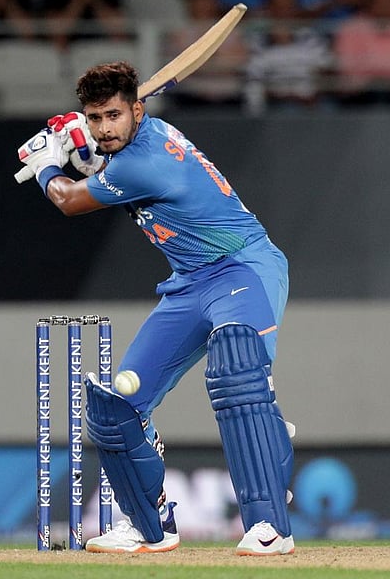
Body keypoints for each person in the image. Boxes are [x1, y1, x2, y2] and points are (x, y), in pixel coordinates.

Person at [15, 61, 295, 555]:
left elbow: (69, 201)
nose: (105, 128)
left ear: (137, 110)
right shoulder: (141, 140)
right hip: (189, 285)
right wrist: (91, 157)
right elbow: (112, 170)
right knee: (114, 410)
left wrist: (47, 164)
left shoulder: (142, 163)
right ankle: (151, 526)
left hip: (243, 269)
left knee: (235, 369)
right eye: (95, 118)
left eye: (114, 116)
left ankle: (270, 525)